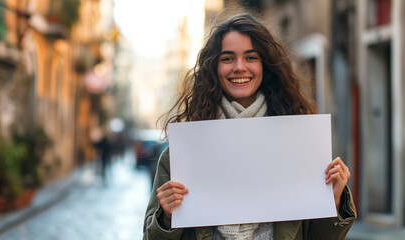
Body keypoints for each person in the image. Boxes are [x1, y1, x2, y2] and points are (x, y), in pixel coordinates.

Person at [143, 13, 356, 240]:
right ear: (213, 68)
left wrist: (332, 202)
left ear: (265, 65)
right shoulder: (180, 155)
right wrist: (166, 219)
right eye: (227, 58)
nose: (239, 67)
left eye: (251, 57)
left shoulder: (301, 147)